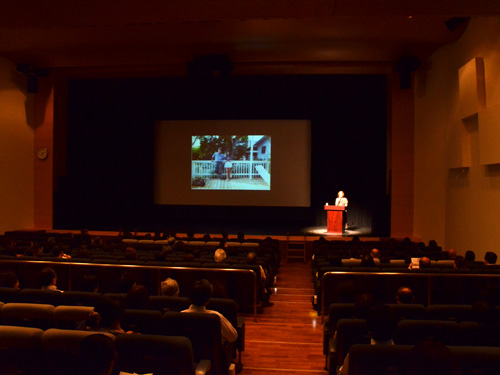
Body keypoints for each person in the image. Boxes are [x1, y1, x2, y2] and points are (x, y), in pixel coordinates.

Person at [182, 279, 237, 343]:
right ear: (207, 301)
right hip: (210, 353)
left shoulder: (179, 317)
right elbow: (233, 336)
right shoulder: (216, 317)